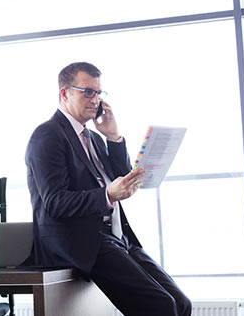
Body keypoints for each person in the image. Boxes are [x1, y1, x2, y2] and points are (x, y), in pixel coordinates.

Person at [24, 61, 191, 316]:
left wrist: (113, 137)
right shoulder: (47, 135)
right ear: (65, 93)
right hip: (79, 239)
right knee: (161, 307)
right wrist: (108, 194)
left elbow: (120, 178)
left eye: (99, 93)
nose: (95, 99)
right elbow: (55, 202)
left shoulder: (92, 137)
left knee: (181, 303)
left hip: (115, 237)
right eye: (87, 91)